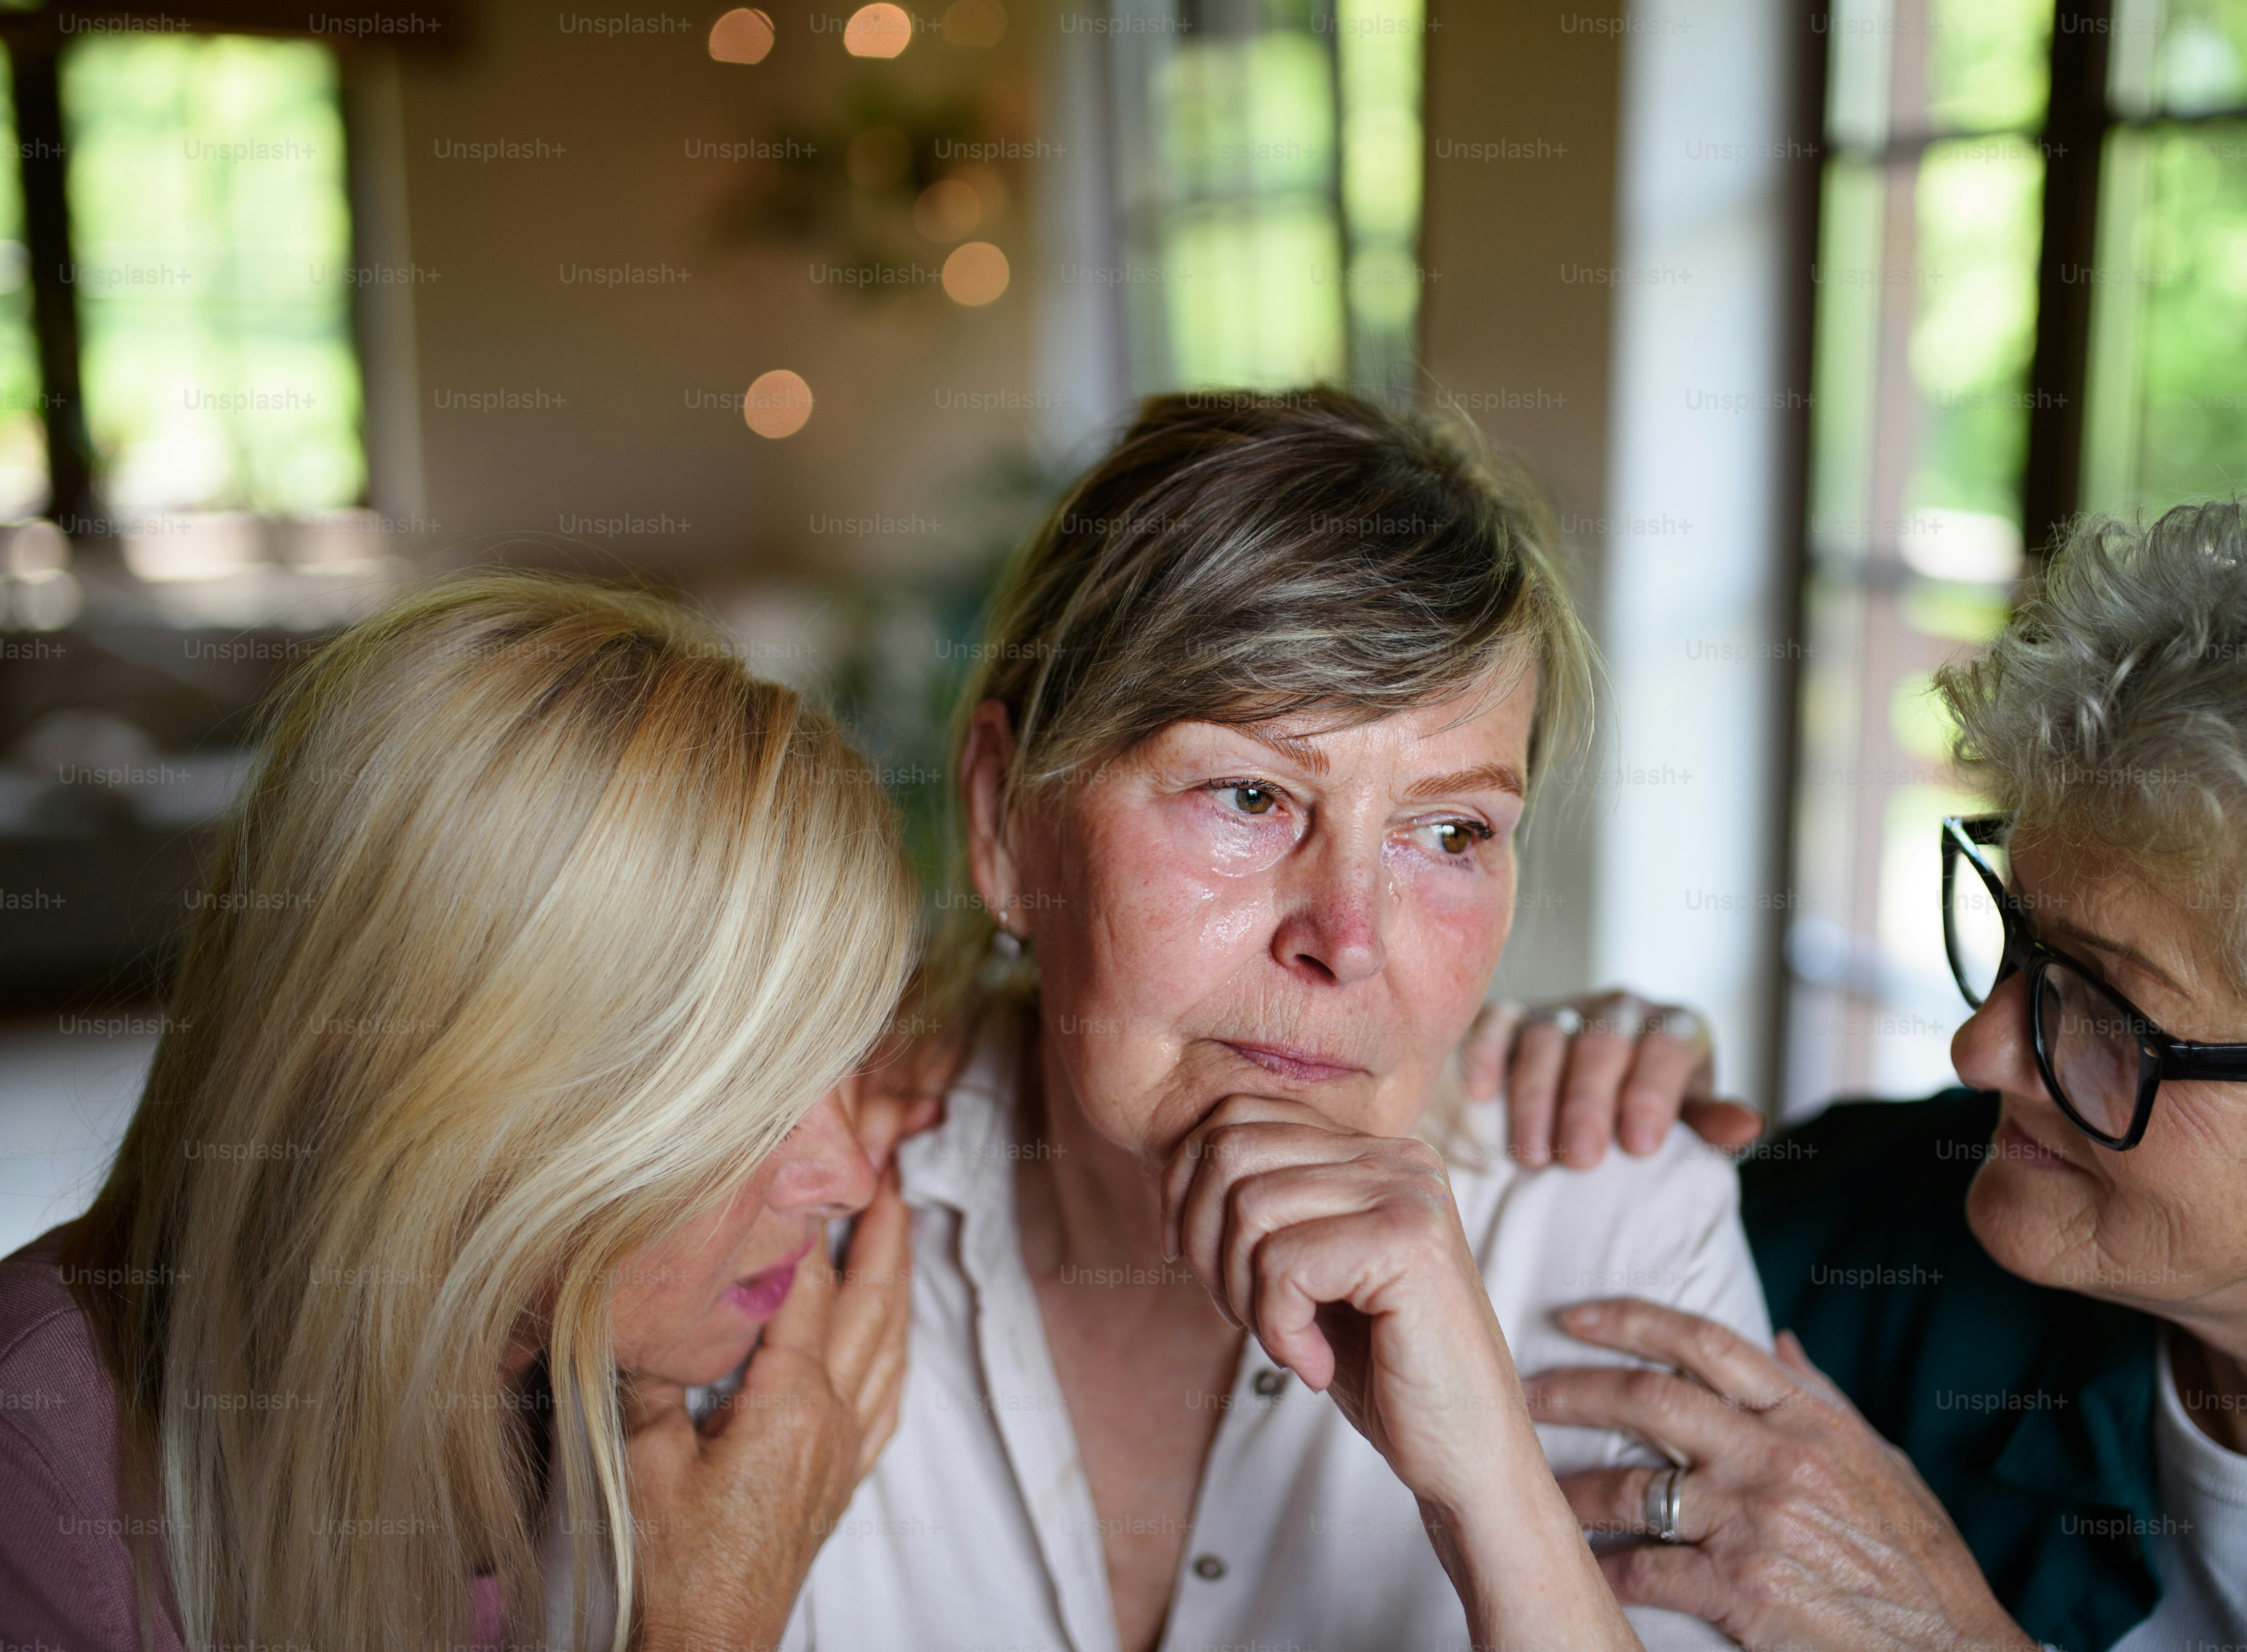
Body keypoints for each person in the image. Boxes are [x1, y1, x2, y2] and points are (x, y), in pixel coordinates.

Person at [783, 390, 1770, 1652]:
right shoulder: (774, 1211)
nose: (1348, 938)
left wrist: (1493, 1495)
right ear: (1001, 819)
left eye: (1450, 830)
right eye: (1248, 794)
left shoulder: (1620, 1227)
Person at [1511, 470, 2247, 1651]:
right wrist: (1587, 1119)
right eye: (2019, 940)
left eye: (2115, 1011)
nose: (1979, 1048)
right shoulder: (1894, 1224)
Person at [0, 575, 919, 1652]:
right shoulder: (36, 1486)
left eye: (844, 1055)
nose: (845, 1176)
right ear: (441, 1087)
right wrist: (714, 1621)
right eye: (744, 1090)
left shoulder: (631, 1364)